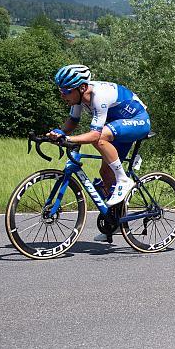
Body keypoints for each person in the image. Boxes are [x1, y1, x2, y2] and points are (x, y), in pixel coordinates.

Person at [47, 65, 151, 239]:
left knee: (99, 138)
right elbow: (73, 121)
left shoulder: (98, 96)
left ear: (81, 88)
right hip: (117, 125)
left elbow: (95, 134)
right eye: (60, 90)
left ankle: (124, 180)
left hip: (137, 121)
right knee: (105, 173)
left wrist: (69, 139)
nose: (62, 95)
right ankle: (116, 222)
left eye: (66, 91)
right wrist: (59, 133)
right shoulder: (79, 98)